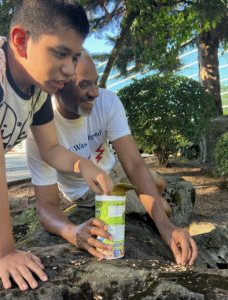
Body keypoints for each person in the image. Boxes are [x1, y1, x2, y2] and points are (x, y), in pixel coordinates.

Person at [0, 0, 113, 292]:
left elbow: (50, 148)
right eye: (60, 53)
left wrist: (84, 165)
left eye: (75, 56)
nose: (70, 69)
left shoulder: (38, 88)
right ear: (20, 40)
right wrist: (4, 253)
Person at [27, 49, 198, 265]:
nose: (95, 93)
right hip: (87, 190)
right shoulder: (40, 131)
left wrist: (165, 227)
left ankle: (141, 212)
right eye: (84, 85)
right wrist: (72, 231)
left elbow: (134, 163)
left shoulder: (107, 102)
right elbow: (46, 206)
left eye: (95, 83)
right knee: (163, 208)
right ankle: (143, 213)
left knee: (160, 184)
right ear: (58, 86)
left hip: (113, 167)